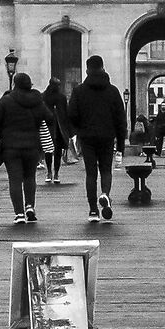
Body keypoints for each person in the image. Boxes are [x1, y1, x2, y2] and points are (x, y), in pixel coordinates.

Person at [67, 53, 130, 223]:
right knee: (106, 170)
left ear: (87, 70)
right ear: (103, 68)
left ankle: (93, 210)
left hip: (87, 137)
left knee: (91, 173)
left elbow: (71, 114)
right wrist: (121, 143)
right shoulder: (112, 91)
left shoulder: (79, 91)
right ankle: (105, 194)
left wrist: (80, 128)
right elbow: (120, 119)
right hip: (107, 136)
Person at [0, 71, 51, 225]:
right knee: (30, 177)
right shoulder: (37, 101)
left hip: (10, 146)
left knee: (15, 179)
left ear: (15, 84)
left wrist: (4, 131)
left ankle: (19, 213)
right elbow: (49, 117)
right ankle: (30, 206)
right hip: (32, 146)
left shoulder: (6, 100)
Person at [40, 74, 72, 184]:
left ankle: (52, 172)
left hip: (55, 127)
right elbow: (66, 113)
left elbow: (65, 112)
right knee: (53, 151)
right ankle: (53, 172)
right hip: (55, 127)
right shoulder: (55, 97)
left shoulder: (46, 96)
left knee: (52, 151)